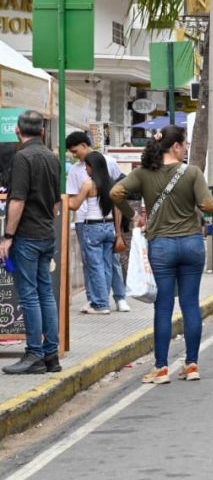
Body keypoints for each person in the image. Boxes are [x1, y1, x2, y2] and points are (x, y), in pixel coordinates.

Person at [111, 125, 213, 384]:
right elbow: (208, 206)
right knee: (190, 304)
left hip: (162, 246)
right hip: (192, 243)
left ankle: (161, 368)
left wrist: (134, 216)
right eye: (186, 144)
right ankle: (192, 364)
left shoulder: (145, 173)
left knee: (164, 305)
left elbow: (115, 193)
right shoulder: (192, 172)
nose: (187, 148)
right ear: (176, 146)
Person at [1, 111, 63, 375]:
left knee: (28, 296)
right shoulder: (52, 158)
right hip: (47, 233)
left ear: (17, 131)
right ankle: (51, 354)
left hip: (27, 234)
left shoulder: (22, 158)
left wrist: (7, 236)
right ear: (43, 131)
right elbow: (56, 200)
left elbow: (17, 200)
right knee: (45, 293)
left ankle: (35, 354)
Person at [65, 131, 129, 314]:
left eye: (87, 166)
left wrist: (60, 201)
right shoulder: (110, 183)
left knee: (95, 265)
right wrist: (118, 231)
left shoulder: (88, 184)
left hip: (92, 226)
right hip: (109, 225)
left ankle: (101, 303)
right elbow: (117, 205)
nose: (84, 168)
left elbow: (75, 204)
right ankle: (102, 299)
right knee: (107, 263)